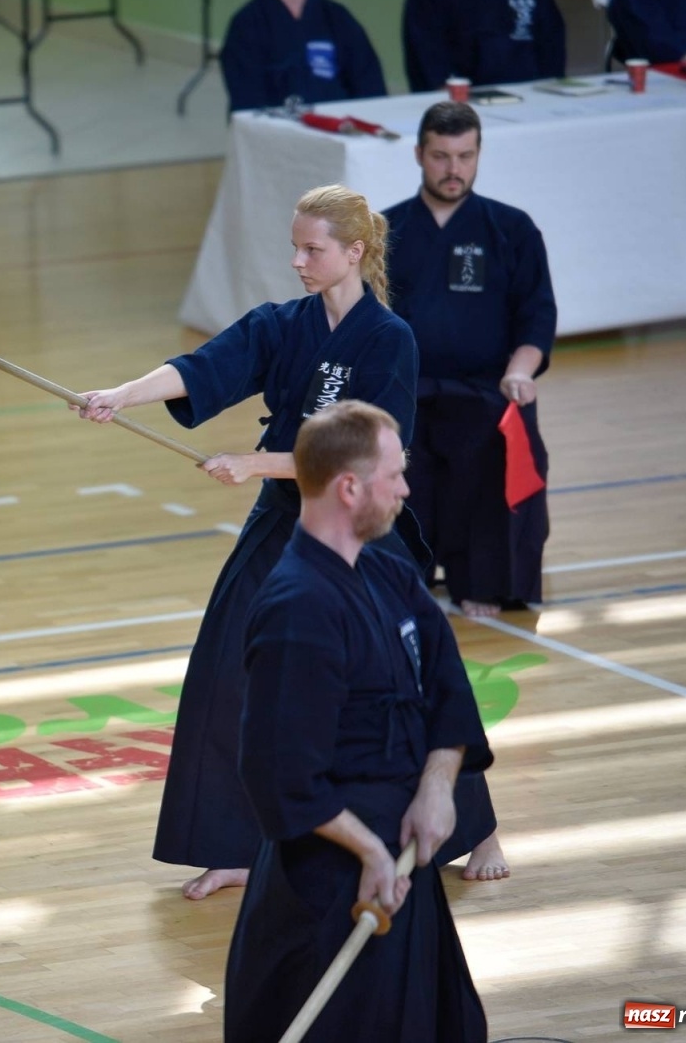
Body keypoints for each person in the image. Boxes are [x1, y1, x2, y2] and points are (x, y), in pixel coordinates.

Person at [79, 184, 470, 900]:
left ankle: (471, 826)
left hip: (359, 526)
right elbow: (202, 368)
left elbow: (366, 454)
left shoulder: (390, 341)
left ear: (354, 252)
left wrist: (256, 462)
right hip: (283, 520)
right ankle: (230, 844)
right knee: (227, 662)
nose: (297, 260)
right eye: (294, 246)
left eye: (312, 249)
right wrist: (118, 395)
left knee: (400, 676)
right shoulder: (282, 325)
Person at [224, 400, 491, 1043]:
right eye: (394, 475)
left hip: (399, 853)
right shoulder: (297, 611)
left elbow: (447, 685)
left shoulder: (386, 568)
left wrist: (435, 787)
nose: (405, 487)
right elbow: (282, 778)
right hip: (331, 880)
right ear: (349, 488)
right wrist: (370, 851)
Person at [383, 100, 554, 627]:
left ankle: (485, 582)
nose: (453, 169)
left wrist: (520, 371)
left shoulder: (511, 228)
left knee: (498, 445)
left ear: (478, 155)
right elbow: (361, 319)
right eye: (440, 156)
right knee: (393, 468)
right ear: (418, 154)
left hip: (485, 390)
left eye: (465, 155)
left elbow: (536, 316)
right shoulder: (384, 230)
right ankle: (404, 576)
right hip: (407, 393)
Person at [220, 0, 387, 113]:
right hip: (277, 134)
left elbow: (370, 85)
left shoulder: (336, 17)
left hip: (339, 129)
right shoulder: (246, 24)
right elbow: (247, 101)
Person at [402, 0, 566, 92]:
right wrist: (444, 90)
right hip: (463, 97)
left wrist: (549, 85)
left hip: (529, 91)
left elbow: (552, 37)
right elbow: (425, 46)